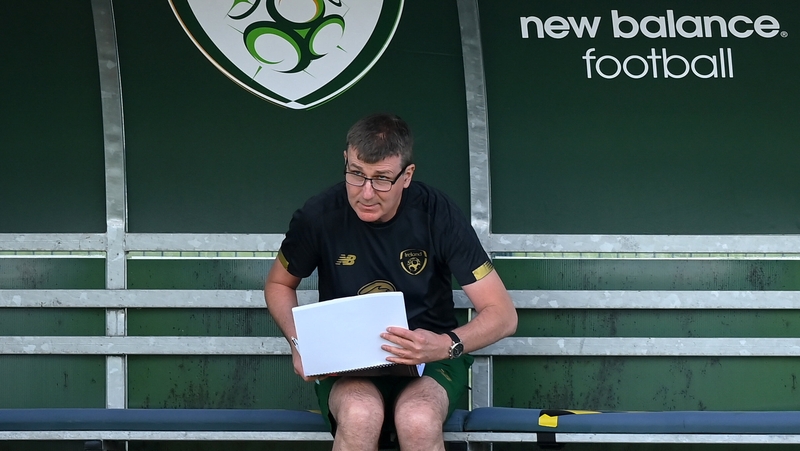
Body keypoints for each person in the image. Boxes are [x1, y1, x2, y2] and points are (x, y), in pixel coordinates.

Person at [264, 113, 517, 451]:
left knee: (418, 417)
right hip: (348, 364)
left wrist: (445, 344)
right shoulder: (319, 215)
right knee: (359, 413)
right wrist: (300, 344)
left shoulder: (437, 214)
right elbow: (279, 284)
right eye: (356, 174)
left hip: (431, 362)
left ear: (407, 175)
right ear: (346, 161)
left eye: (382, 178)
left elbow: (502, 314)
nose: (366, 193)